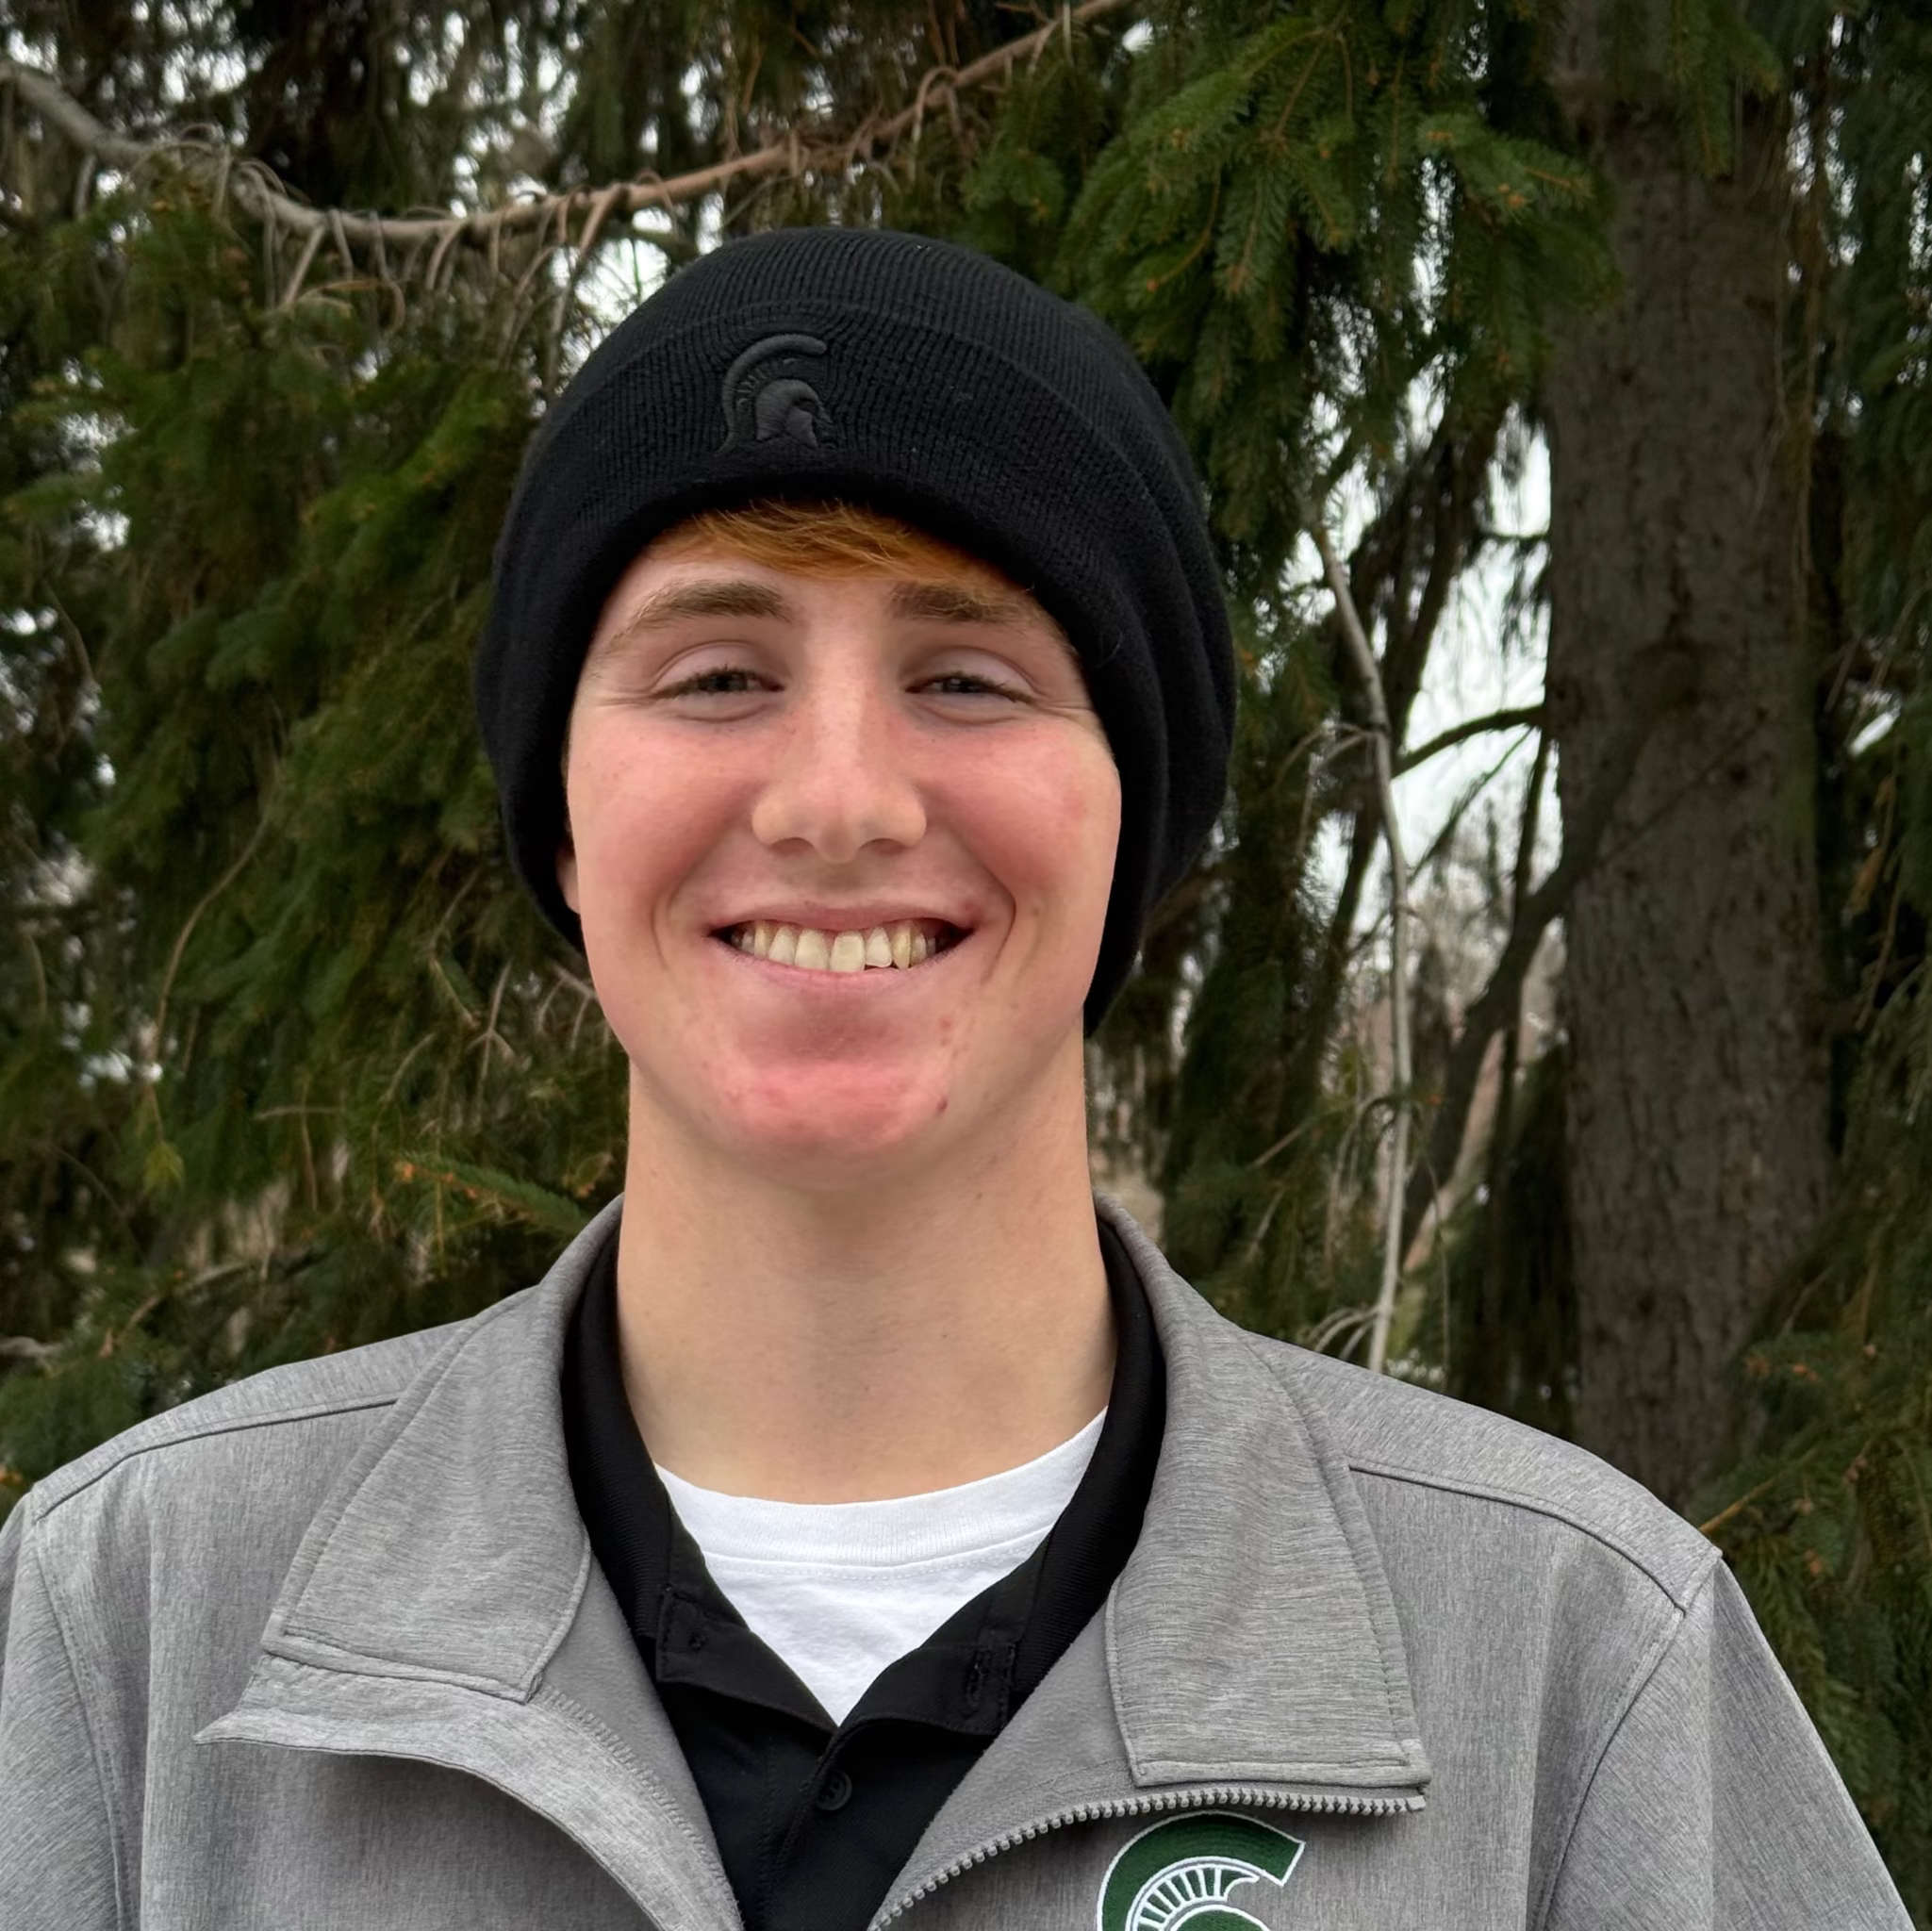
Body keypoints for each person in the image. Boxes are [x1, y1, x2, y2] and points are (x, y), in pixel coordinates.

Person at [0, 227, 1909, 1931]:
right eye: (717, 672)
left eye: (970, 677)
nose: (837, 799)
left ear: (1131, 830)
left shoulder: (1567, 1669)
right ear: (563, 826)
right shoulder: (129, 1631)